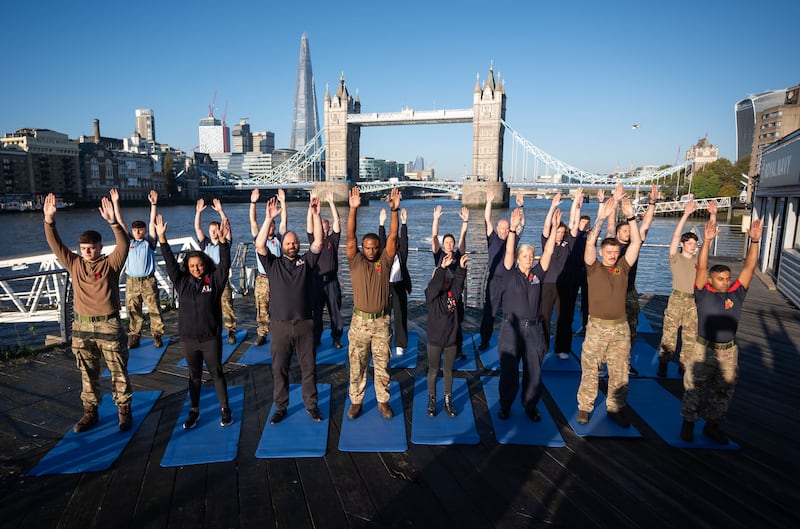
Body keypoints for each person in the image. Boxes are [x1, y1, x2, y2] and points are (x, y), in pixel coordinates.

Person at [43, 192, 133, 433]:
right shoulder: (74, 263)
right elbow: (55, 244)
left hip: (109, 325)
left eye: (91, 248)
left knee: (118, 371)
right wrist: (49, 220)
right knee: (87, 372)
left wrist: (114, 222)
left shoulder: (110, 264)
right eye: (84, 249)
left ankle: (123, 411)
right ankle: (89, 412)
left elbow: (124, 244)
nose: (88, 252)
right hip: (81, 327)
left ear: (100, 247)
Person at [679, 209, 763, 445]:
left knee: (724, 390)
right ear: (712, 280)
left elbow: (749, 267)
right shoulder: (703, 292)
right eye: (721, 279)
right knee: (695, 386)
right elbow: (702, 267)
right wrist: (707, 241)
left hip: (728, 351)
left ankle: (712, 426)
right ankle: (688, 423)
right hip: (703, 348)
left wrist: (754, 241)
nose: (726, 282)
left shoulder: (737, 292)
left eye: (727, 278)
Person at [156, 213, 233, 429]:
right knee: (194, 376)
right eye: (192, 266)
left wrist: (224, 243)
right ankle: (194, 410)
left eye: (199, 265)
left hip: (210, 338)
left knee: (217, 373)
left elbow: (225, 265)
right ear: (187, 268)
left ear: (206, 265)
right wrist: (162, 239)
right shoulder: (182, 283)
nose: (196, 269)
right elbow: (170, 263)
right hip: (189, 339)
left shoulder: (215, 282)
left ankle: (225, 409)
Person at [256, 194, 324, 424]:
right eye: (288, 243)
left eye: (295, 243)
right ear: (282, 246)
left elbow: (318, 243)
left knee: (309, 368)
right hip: (280, 326)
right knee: (280, 370)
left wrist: (315, 215)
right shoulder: (273, 264)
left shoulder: (306, 263)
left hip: (305, 324)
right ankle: (280, 407)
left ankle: (311, 406)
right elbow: (259, 244)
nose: (292, 245)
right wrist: (268, 218)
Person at [576, 196, 642, 427]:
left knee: (620, 371)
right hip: (596, 327)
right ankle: (585, 407)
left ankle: (615, 408)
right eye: (610, 251)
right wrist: (602, 218)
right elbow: (589, 243)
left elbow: (635, 244)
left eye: (616, 252)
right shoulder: (593, 267)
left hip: (619, 328)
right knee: (590, 369)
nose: (613, 255)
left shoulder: (623, 268)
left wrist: (631, 215)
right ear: (603, 252)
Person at [496, 207, 558, 420]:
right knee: (509, 372)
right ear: (519, 258)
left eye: (531, 256)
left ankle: (530, 406)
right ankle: (505, 405)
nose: (528, 258)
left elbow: (548, 253)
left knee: (534, 372)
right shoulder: (509, 274)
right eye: (525, 256)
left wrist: (555, 228)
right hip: (511, 330)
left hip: (534, 330)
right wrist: (512, 230)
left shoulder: (538, 275)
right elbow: (509, 252)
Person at [345, 187, 399, 420]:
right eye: (367, 247)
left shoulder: (384, 261)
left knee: (382, 365)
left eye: (374, 247)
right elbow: (350, 236)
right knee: (357, 365)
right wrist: (353, 209)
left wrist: (394, 211)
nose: (370, 250)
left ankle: (383, 401)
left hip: (381, 323)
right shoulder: (355, 260)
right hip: (359, 322)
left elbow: (394, 237)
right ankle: (356, 401)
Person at [607, 184, 657, 376]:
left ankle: (625, 363)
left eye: (630, 231)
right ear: (619, 233)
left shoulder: (634, 245)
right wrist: (616, 200)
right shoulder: (612, 244)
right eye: (625, 231)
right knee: (609, 331)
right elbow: (611, 223)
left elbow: (646, 224)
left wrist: (652, 203)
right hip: (611, 295)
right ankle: (606, 362)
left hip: (629, 293)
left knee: (631, 331)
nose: (627, 233)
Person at [111, 189, 164, 349]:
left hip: (148, 281)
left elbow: (152, 221)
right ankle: (134, 337)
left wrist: (153, 204)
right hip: (132, 282)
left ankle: (157, 335)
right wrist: (115, 202)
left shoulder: (149, 242)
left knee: (154, 309)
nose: (138, 232)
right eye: (135, 230)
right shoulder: (128, 243)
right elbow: (120, 222)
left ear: (145, 231)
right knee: (134, 312)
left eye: (140, 230)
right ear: (132, 231)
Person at [657, 199, 699, 377]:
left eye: (695, 244)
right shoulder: (676, 258)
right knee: (669, 334)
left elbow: (708, 245)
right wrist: (686, 214)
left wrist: (712, 216)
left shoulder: (699, 262)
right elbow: (675, 238)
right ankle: (664, 362)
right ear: (683, 244)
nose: (693, 246)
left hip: (693, 301)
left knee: (690, 336)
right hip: (677, 298)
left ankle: (684, 365)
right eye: (690, 243)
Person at [479, 189, 524, 350]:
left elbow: (521, 225)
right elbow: (487, 219)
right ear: (498, 229)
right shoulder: (492, 238)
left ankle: (512, 340)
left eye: (507, 229)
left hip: (510, 280)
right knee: (489, 313)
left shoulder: (513, 237)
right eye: (502, 229)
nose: (504, 231)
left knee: (511, 311)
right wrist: (489, 202)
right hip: (494, 281)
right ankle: (484, 340)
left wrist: (521, 207)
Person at [425, 253, 469, 417]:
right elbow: (435, 286)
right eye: (443, 280)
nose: (446, 283)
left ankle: (448, 400)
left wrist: (461, 268)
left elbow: (458, 282)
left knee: (448, 371)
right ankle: (431, 400)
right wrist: (441, 269)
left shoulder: (453, 295)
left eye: (448, 281)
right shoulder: (431, 296)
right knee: (434, 371)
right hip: (434, 341)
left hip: (451, 341)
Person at [195, 197, 237, 344]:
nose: (213, 232)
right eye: (211, 230)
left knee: (226, 304)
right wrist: (198, 212)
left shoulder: (224, 243)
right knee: (207, 305)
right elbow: (198, 228)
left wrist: (220, 211)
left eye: (215, 230)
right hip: (208, 279)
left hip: (222, 278)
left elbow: (227, 227)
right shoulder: (205, 243)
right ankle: (210, 329)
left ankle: (231, 330)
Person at [539, 192, 575, 360]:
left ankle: (562, 348)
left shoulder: (568, 244)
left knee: (564, 318)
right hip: (547, 284)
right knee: (544, 316)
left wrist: (576, 204)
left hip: (564, 285)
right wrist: (552, 207)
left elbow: (574, 225)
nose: (559, 234)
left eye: (562, 232)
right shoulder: (548, 244)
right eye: (557, 231)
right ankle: (543, 346)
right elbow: (546, 228)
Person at [249, 188, 287, 346]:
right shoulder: (259, 237)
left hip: (277, 278)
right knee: (262, 307)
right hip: (262, 279)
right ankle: (262, 334)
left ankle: (281, 333)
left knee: (281, 306)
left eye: (272, 225)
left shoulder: (279, 238)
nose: (270, 228)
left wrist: (283, 202)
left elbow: (284, 220)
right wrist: (253, 202)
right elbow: (253, 221)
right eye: (268, 225)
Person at [431, 205, 469, 359]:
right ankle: (439, 349)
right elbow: (434, 237)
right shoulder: (439, 255)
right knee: (441, 324)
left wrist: (465, 222)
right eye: (446, 242)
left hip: (455, 295)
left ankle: (458, 350)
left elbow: (463, 238)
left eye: (451, 242)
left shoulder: (458, 255)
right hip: (441, 296)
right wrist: (436, 219)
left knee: (457, 324)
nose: (449, 244)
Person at [309, 190, 344, 349]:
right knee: (316, 312)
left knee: (335, 311)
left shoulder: (332, 240)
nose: (323, 230)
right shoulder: (314, 242)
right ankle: (315, 338)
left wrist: (331, 202)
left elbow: (337, 222)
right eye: (320, 227)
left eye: (325, 227)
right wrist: (311, 207)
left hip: (331, 281)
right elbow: (309, 226)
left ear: (328, 229)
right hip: (316, 282)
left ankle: (336, 338)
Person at [379, 207, 412, 356]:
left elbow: (404, 242)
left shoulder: (401, 254)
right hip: (385, 287)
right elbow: (380, 241)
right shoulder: (384, 254)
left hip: (399, 287)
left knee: (400, 316)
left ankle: (400, 344)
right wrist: (381, 224)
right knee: (383, 317)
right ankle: (383, 342)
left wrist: (404, 223)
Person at [563, 189, 591, 336]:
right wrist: (576, 202)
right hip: (573, 270)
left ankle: (586, 325)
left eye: (588, 224)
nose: (585, 225)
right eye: (583, 223)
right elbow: (573, 216)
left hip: (586, 271)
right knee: (570, 299)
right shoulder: (573, 233)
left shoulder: (590, 236)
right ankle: (568, 326)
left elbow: (601, 220)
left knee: (587, 300)